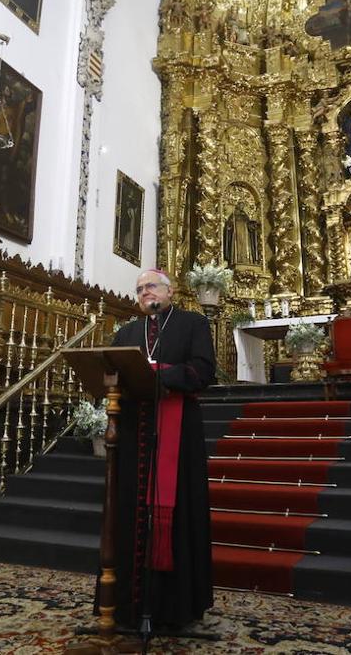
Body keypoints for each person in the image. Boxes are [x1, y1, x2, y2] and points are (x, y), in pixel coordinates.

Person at [108, 269, 215, 632]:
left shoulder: (192, 324)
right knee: (130, 513)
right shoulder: (126, 333)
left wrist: (158, 373)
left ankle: (173, 609)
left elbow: (203, 370)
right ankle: (128, 606)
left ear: (170, 291)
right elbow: (113, 373)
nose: (143, 293)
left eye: (150, 286)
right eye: (138, 289)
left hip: (178, 432)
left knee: (179, 511)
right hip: (134, 433)